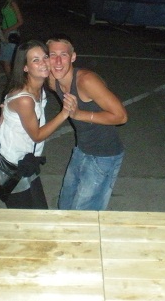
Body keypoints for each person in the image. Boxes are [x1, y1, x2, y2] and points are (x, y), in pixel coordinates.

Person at [0, 39, 77, 209]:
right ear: (25, 67)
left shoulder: (38, 86)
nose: (44, 63)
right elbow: (37, 135)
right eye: (35, 60)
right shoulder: (25, 99)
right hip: (9, 162)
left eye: (45, 57)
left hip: (26, 157)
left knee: (40, 211)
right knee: (24, 216)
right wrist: (64, 113)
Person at [46, 34, 128, 210]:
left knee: (83, 215)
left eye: (64, 55)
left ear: (73, 57)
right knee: (65, 205)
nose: (58, 61)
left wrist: (79, 114)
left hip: (104, 155)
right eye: (53, 55)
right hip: (81, 150)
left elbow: (121, 116)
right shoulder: (53, 80)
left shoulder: (86, 81)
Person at [0, 0, 24, 79]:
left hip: (11, 33)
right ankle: (12, 80)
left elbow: (20, 21)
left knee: (6, 61)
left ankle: (12, 82)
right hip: (6, 32)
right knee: (3, 60)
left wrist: (7, 30)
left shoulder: (13, 3)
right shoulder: (7, 3)